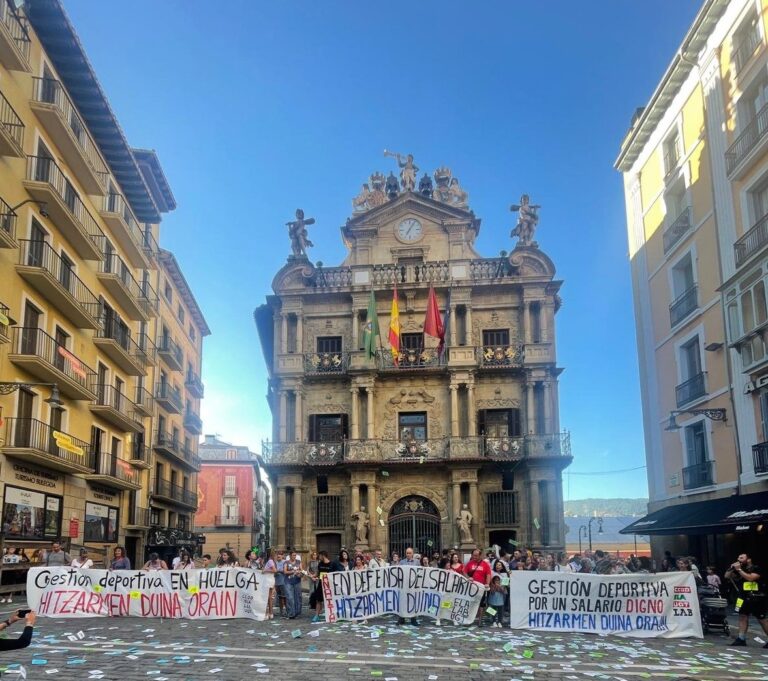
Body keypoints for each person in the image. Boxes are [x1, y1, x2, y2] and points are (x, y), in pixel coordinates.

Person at [725, 552, 768, 647]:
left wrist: (739, 570)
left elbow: (751, 578)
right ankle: (741, 638)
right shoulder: (738, 569)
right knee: (742, 616)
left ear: (748, 559)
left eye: (741, 557)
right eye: (738, 557)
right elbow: (727, 576)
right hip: (742, 597)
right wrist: (731, 569)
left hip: (757, 597)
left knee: (762, 619)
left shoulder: (756, 568)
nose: (739, 559)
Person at [465, 548, 492, 626]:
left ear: (480, 555)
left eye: (476, 555)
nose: (474, 557)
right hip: (471, 588)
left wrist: (487, 583)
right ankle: (469, 619)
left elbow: (488, 574)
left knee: (481, 604)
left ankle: (480, 620)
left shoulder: (485, 564)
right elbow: (464, 571)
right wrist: (467, 577)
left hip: (481, 588)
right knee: (471, 603)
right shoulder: (470, 563)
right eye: (473, 555)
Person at [398, 547, 420, 626]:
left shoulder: (417, 562)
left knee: (412, 601)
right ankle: (401, 618)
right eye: (407, 553)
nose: (408, 554)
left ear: (412, 554)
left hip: (413, 586)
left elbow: (419, 572)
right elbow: (399, 573)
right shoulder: (402, 562)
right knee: (403, 601)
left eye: (410, 553)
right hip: (404, 585)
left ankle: (413, 619)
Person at [311, 551, 334, 623]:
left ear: (323, 556)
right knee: (318, 600)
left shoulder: (332, 564)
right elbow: (318, 573)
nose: (319, 557)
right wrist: (313, 576)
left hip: (329, 585)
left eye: (320, 556)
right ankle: (316, 615)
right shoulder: (320, 564)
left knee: (330, 600)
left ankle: (332, 615)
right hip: (321, 584)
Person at [284, 550, 304, 619]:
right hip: (288, 582)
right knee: (290, 597)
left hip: (297, 581)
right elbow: (285, 571)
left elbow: (302, 570)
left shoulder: (299, 562)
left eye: (295, 555)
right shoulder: (286, 562)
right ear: (290, 556)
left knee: (297, 597)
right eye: (293, 555)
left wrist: (300, 574)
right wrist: (293, 571)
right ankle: (291, 613)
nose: (294, 556)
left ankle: (297, 612)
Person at [262, 549, 278, 620]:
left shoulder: (270, 561)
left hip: (268, 580)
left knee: (267, 597)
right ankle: (270, 613)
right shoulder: (271, 561)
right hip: (270, 579)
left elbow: (274, 570)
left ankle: (267, 613)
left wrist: (265, 570)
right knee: (270, 598)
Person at [274, 549, 288, 617]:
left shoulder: (285, 562)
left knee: (284, 597)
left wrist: (279, 571)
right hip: (277, 582)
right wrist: (275, 572)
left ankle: (287, 610)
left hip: (283, 582)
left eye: (279, 556)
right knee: (279, 597)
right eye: (277, 556)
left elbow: (286, 571)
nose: (278, 557)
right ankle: (281, 611)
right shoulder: (275, 563)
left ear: (282, 556)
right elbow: (273, 571)